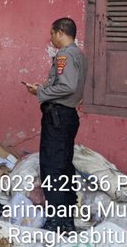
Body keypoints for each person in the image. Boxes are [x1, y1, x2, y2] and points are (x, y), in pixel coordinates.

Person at [25, 17, 86, 233]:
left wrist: (40, 92)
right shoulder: (79, 55)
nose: (50, 38)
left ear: (60, 32)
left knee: (53, 169)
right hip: (67, 116)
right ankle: (65, 219)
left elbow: (67, 86)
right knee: (64, 167)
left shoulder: (64, 55)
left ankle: (58, 222)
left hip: (58, 117)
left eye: (52, 34)